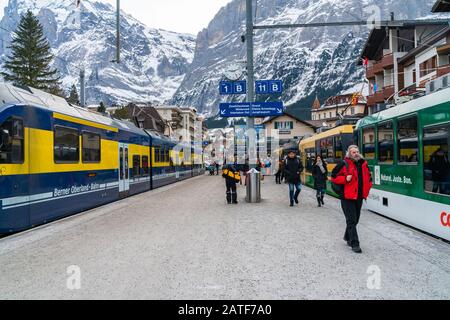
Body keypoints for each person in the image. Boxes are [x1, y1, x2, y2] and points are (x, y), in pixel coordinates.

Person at [331, 145, 373, 254]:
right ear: (349, 154)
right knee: (351, 220)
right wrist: (345, 179)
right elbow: (333, 177)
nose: (356, 153)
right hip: (347, 197)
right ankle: (355, 244)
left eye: (357, 151)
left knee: (356, 220)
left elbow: (369, 177)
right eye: (353, 152)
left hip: (359, 196)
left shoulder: (363, 164)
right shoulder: (343, 164)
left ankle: (347, 236)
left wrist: (368, 186)